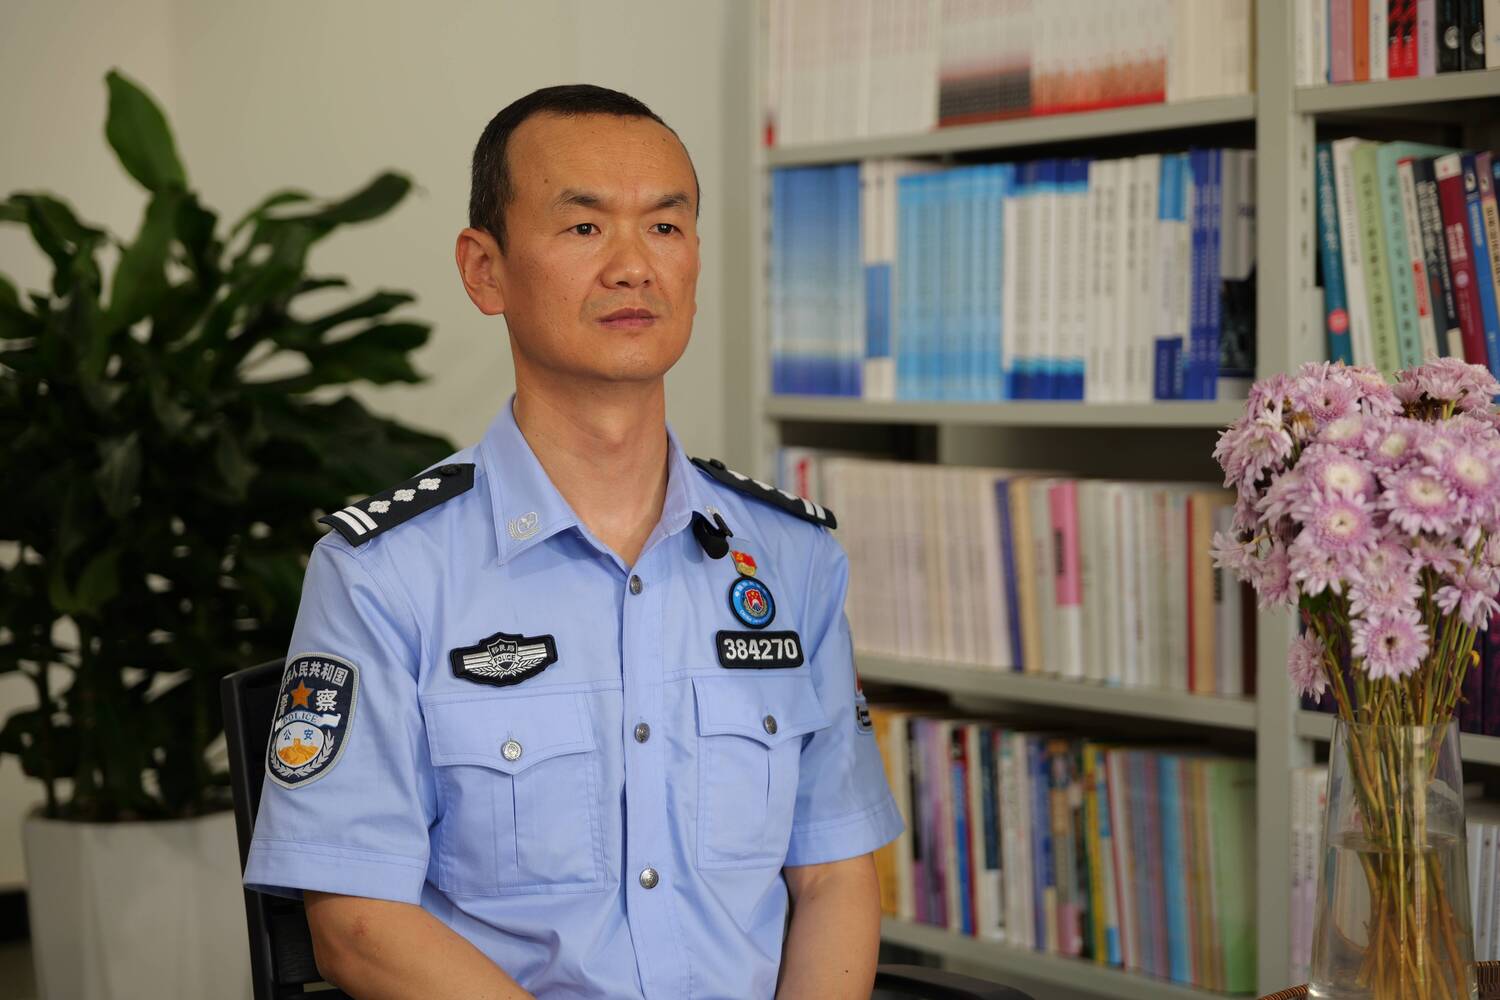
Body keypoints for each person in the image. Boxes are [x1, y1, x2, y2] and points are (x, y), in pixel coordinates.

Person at [242, 84, 903, 999]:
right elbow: (357, 926)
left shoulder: (792, 559)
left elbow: (834, 875)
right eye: (585, 227)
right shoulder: (384, 573)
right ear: (485, 270)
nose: (633, 266)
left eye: (665, 227)